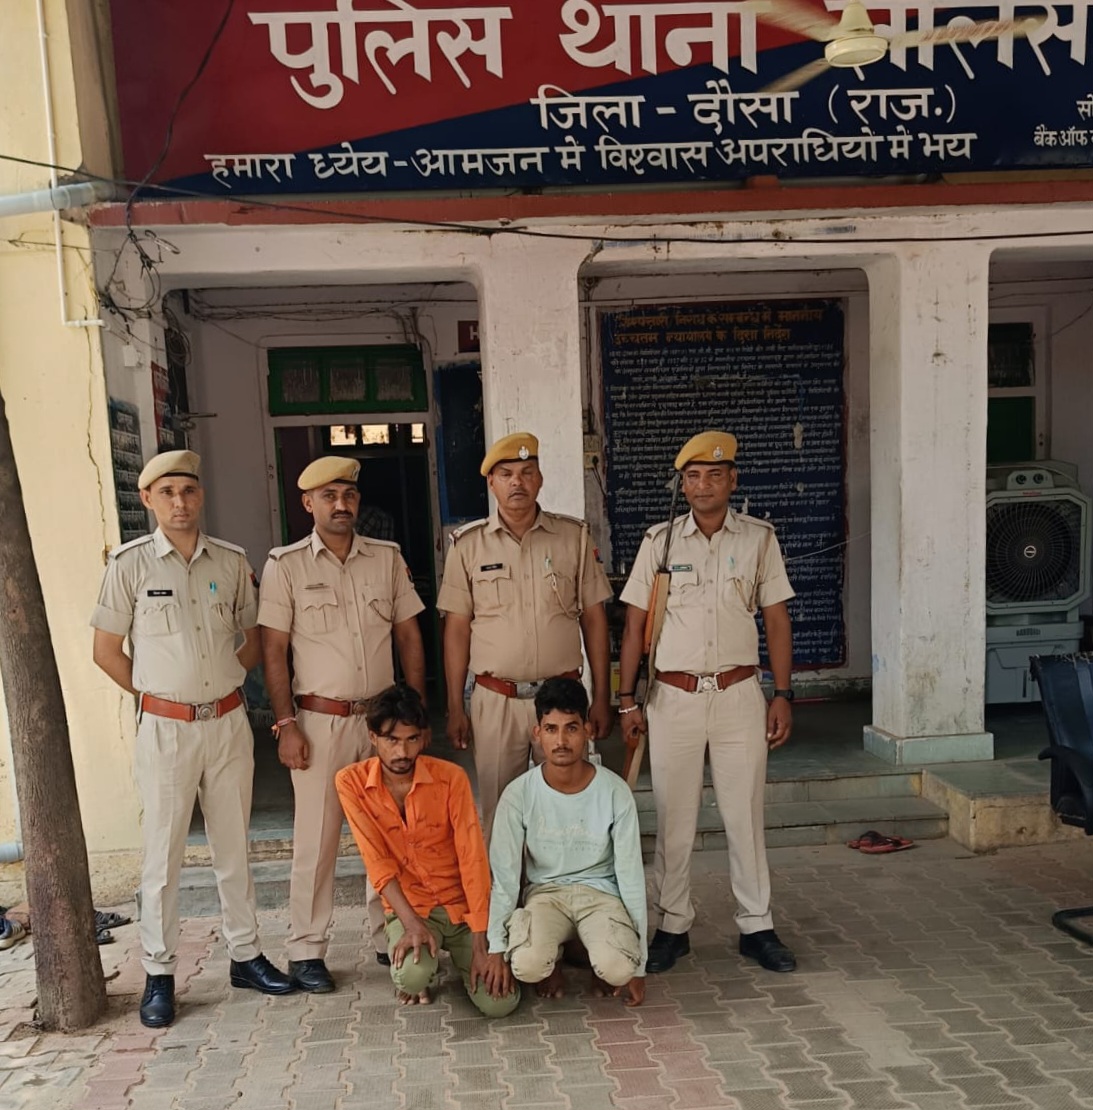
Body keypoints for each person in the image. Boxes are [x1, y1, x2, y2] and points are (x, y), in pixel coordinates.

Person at [91, 450, 295, 1028]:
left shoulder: (230, 561)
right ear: (148, 500)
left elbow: (251, 639)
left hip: (226, 723)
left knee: (234, 847)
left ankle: (246, 955)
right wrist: (159, 694)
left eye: (188, 490)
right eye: (167, 493)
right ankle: (159, 973)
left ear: (200, 495)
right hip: (165, 730)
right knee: (163, 857)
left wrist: (220, 681)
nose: (180, 502)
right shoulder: (129, 565)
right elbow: (105, 651)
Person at [618, 431, 798, 975]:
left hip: (739, 695)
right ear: (683, 483)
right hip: (673, 697)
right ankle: (672, 926)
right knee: (674, 817)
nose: (703, 486)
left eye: (714, 475)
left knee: (744, 814)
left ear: (732, 480)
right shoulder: (661, 543)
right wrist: (626, 700)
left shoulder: (760, 539)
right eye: (693, 477)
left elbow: (777, 620)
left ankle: (757, 926)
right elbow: (635, 625)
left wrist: (783, 694)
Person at [259, 457, 426, 993]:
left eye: (348, 494)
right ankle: (306, 949)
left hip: (382, 722)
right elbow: (273, 649)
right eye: (329, 496)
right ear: (307, 503)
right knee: (317, 840)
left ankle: (389, 932)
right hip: (319, 721)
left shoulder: (386, 559)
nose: (341, 504)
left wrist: (414, 715)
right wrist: (286, 723)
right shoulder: (286, 566)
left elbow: (408, 636)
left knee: (390, 830)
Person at [437, 432, 613, 839]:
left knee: (570, 807)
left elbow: (594, 619)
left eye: (527, 472)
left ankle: (566, 878)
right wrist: (455, 706)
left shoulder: (572, 538)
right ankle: (506, 882)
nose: (517, 482)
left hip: (562, 698)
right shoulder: (468, 546)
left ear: (540, 479)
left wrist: (601, 696)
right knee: (502, 813)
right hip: (496, 699)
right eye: (507, 474)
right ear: (491, 483)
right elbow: (457, 630)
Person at [335, 684, 520, 1015]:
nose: (402, 752)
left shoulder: (451, 778)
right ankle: (421, 971)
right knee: (412, 976)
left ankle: (454, 958)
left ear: (423, 738)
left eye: (412, 739)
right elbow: (377, 862)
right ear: (373, 737)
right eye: (392, 740)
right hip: (412, 907)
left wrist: (483, 942)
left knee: (500, 1003)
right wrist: (411, 924)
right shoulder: (351, 782)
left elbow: (473, 858)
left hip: (462, 907)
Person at [488, 677, 647, 1006]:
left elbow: (631, 876)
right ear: (537, 733)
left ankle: (594, 955)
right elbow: (504, 878)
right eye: (551, 729)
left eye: (571, 728)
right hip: (545, 896)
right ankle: (555, 959)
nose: (561, 741)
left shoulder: (614, 791)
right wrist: (496, 947)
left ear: (587, 731)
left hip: (601, 895)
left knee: (618, 968)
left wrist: (639, 965)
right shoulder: (519, 794)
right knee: (527, 965)